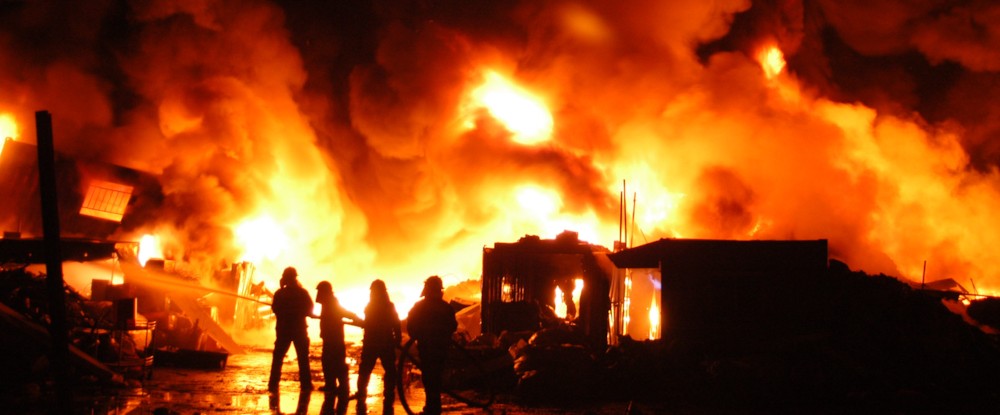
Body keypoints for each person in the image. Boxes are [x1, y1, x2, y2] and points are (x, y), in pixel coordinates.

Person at [405, 276, 457, 415]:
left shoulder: (419, 307)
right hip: (441, 349)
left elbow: (410, 326)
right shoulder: (446, 308)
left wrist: (418, 335)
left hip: (426, 349)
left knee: (429, 378)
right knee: (436, 377)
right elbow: (453, 326)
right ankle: (434, 408)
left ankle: (432, 409)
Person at [314, 281, 361, 415]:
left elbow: (342, 312)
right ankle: (332, 385)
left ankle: (343, 387)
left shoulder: (331, 303)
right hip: (330, 337)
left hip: (334, 338)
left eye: (319, 292)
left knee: (337, 363)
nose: (318, 294)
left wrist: (355, 317)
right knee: (328, 362)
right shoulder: (327, 303)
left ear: (324, 292)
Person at [356, 279, 402, 415]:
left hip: (373, 343)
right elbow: (396, 323)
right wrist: (397, 338)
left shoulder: (370, 306)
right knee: (389, 370)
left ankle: (362, 392)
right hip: (385, 342)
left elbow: (393, 322)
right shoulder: (388, 305)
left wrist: (397, 338)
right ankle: (388, 394)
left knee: (366, 369)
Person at [268, 266, 314, 393]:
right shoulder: (302, 292)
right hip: (299, 329)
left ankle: (273, 384)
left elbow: (275, 309)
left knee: (278, 358)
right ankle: (306, 385)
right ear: (294, 278)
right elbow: (310, 308)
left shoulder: (280, 293)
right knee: (303, 358)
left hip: (284, 330)